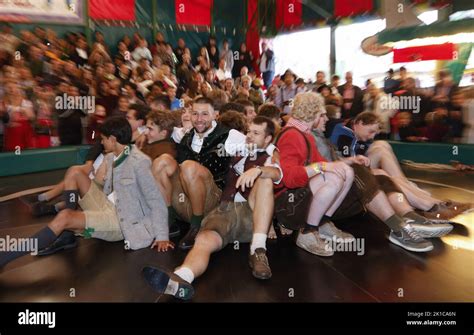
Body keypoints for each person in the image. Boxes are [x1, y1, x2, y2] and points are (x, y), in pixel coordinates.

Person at [276, 92, 436, 256]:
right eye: (322, 115)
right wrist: (323, 166)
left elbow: (325, 165)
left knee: (356, 170)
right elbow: (289, 179)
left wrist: (349, 161)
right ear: (312, 113)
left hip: (298, 202)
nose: (326, 119)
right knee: (356, 172)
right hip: (289, 208)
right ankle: (399, 225)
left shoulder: (303, 135)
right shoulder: (292, 135)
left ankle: (321, 224)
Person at [0, 117, 172, 269]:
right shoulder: (112, 157)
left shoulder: (139, 162)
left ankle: (4, 257)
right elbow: (100, 187)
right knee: (74, 172)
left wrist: (162, 236)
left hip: (121, 222)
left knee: (65, 216)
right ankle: (68, 235)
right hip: (107, 205)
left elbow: (155, 200)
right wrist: (87, 189)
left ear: (113, 139)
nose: (101, 142)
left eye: (103, 139)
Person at [142, 116, 282, 300]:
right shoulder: (239, 148)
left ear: (268, 139)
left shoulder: (270, 156)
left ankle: (258, 249)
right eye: (248, 131)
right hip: (224, 212)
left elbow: (277, 173)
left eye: (256, 133)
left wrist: (259, 169)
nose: (249, 136)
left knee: (265, 181)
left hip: (251, 214)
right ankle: (181, 278)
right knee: (204, 241)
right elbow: (180, 132)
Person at [330, 112, 471, 219]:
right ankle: (432, 204)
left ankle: (421, 195)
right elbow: (347, 160)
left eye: (375, 132)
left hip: (355, 166)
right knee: (382, 171)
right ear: (358, 123)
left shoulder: (353, 131)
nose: (372, 136)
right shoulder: (343, 134)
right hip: (350, 172)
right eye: (371, 131)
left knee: (381, 145)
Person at [152, 96, 247, 250]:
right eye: (195, 114)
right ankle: (170, 219)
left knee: (189, 166)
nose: (199, 119)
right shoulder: (187, 135)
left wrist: (272, 154)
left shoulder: (229, 135)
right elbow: (173, 131)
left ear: (215, 115)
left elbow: (257, 145)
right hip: (184, 200)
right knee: (161, 161)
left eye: (204, 114)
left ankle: (196, 227)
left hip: (212, 201)